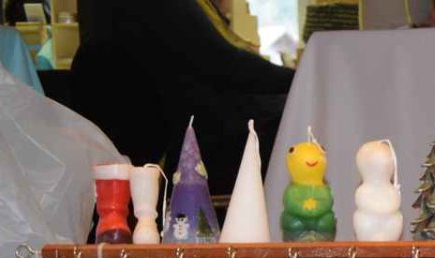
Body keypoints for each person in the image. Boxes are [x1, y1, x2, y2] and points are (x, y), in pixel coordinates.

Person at [70, 0, 293, 197]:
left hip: (133, 130)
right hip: (153, 134)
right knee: (282, 121)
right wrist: (298, 78)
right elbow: (222, 62)